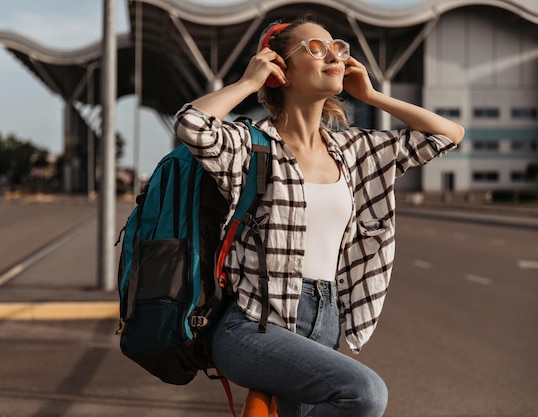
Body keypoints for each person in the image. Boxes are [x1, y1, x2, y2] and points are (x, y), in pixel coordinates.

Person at [174, 16, 464, 417]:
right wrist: (247, 83)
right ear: (281, 71)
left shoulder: (354, 150)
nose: (334, 55)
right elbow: (191, 124)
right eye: (315, 48)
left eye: (338, 48)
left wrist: (374, 96)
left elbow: (447, 135)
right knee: (363, 393)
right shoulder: (252, 145)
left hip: (325, 320)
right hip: (255, 325)